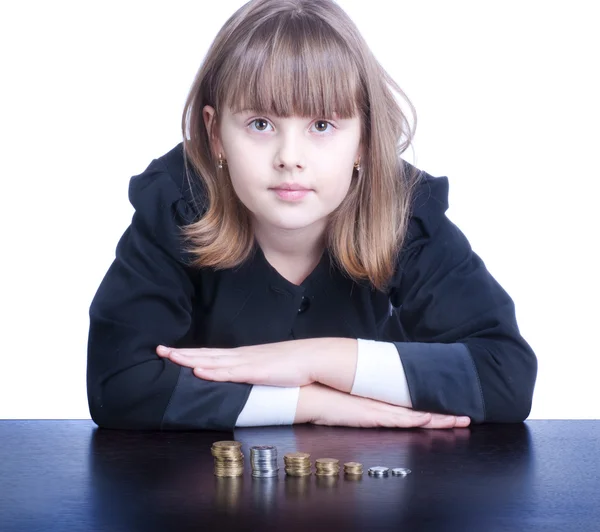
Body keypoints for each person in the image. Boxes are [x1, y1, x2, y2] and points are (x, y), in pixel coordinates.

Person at [86, 0, 537, 431]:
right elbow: (118, 386)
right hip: (202, 490)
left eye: (322, 125)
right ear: (215, 133)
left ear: (363, 139)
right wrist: (316, 403)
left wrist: (317, 358)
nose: (290, 158)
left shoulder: (405, 208)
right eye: (260, 124)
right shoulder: (175, 202)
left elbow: (506, 376)